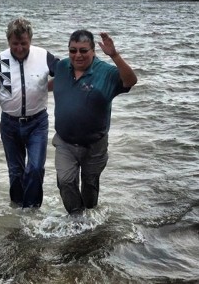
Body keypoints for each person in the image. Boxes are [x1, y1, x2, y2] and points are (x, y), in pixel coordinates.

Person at [52, 30, 137, 214]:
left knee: (90, 187)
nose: (78, 55)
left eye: (83, 50)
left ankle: (90, 219)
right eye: (73, 50)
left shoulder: (106, 73)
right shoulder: (62, 67)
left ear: (93, 51)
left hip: (95, 145)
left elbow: (131, 80)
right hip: (65, 142)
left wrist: (114, 55)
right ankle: (76, 220)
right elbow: (55, 83)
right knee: (66, 181)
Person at [0, 18, 59, 208]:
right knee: (15, 172)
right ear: (8, 41)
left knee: (35, 168)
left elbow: (66, 74)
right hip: (9, 125)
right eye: (15, 43)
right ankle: (17, 211)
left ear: (30, 39)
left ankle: (32, 212)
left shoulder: (44, 56)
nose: (19, 47)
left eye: (23, 43)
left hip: (37, 123)